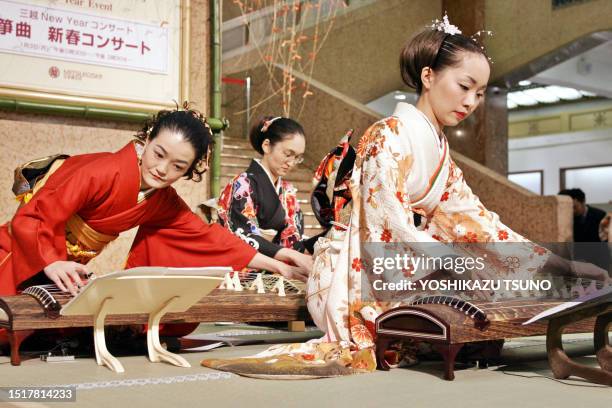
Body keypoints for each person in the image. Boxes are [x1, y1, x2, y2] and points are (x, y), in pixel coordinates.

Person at [202, 15, 611, 377]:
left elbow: (478, 221)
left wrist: (560, 264)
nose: (471, 101)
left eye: (481, 93)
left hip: (409, 259)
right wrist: (458, 264)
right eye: (465, 86)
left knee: (499, 270)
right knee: (475, 278)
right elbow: (389, 228)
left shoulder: (438, 151)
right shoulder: (387, 136)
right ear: (429, 76)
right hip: (355, 270)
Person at [0, 104, 308, 300]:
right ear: (146, 140)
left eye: (178, 166)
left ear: (190, 169)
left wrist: (277, 264)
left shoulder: (162, 201)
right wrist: (52, 260)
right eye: (159, 154)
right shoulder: (100, 170)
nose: (162, 170)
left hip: (63, 271)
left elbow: (208, 238)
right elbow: (36, 216)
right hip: (22, 254)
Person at [217, 116, 315, 273]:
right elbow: (242, 236)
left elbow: (292, 240)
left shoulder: (288, 191)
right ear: (267, 146)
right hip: (246, 269)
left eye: (297, 157)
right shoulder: (243, 184)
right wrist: (290, 255)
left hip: (276, 274)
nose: (291, 162)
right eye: (288, 153)